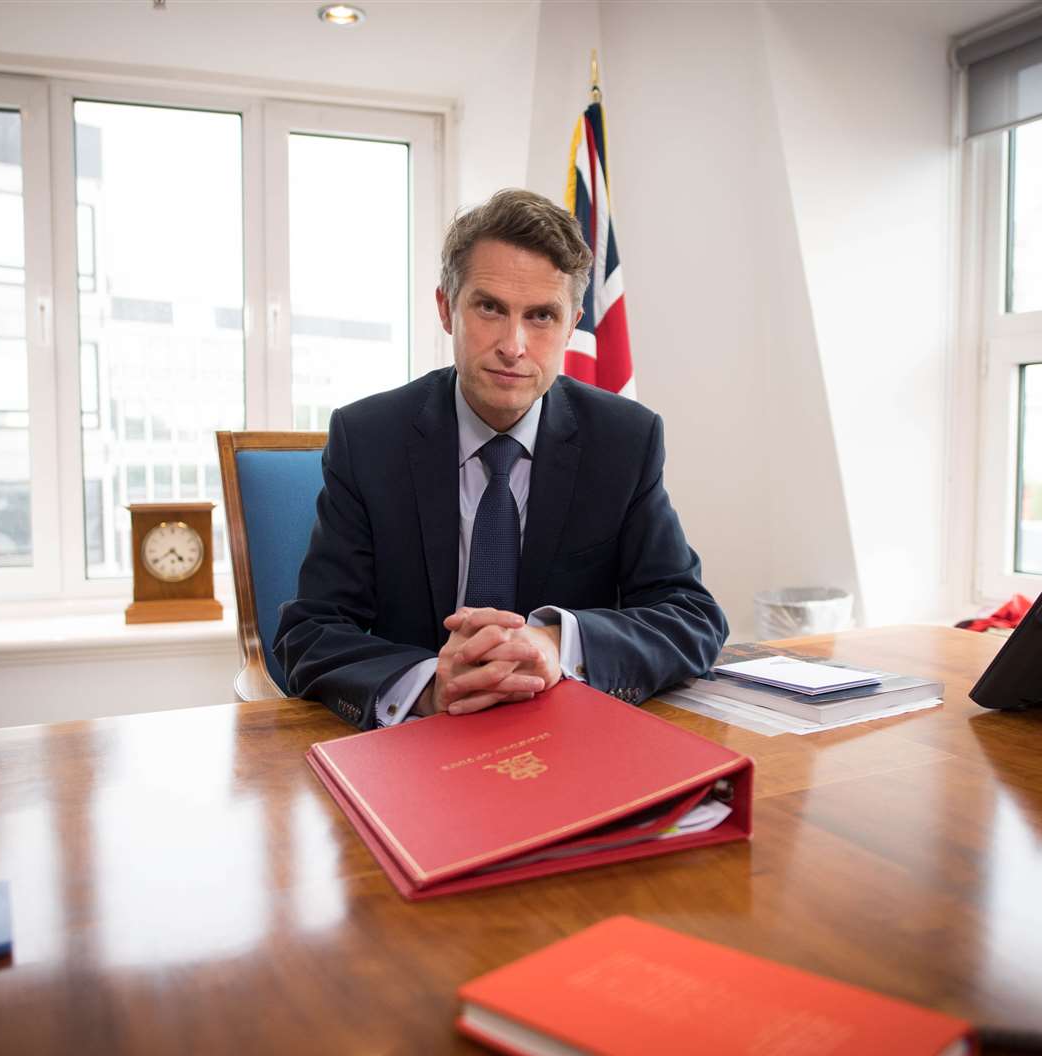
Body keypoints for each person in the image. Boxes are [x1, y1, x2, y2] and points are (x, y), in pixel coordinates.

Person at [275, 188, 727, 730]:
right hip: (419, 750)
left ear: (572, 323)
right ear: (447, 308)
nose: (514, 345)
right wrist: (426, 686)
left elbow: (691, 616)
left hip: (567, 744)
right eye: (490, 308)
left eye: (541, 316)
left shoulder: (624, 441)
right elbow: (311, 630)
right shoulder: (369, 438)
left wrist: (557, 644)